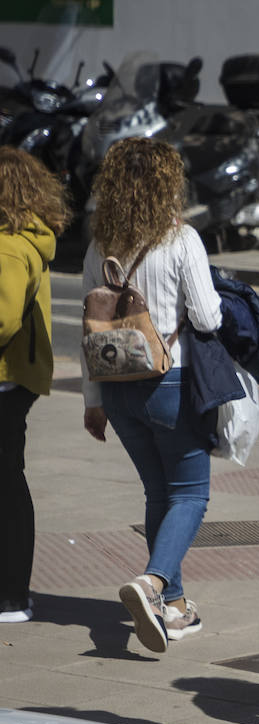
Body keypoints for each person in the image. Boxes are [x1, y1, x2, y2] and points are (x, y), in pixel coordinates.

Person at [80, 138, 222, 653]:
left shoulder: (99, 246)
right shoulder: (181, 240)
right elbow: (208, 317)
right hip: (171, 381)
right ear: (168, 185)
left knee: (159, 493)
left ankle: (174, 606)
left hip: (117, 390)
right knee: (190, 494)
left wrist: (92, 401)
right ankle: (153, 581)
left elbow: (89, 328)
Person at [0, 149, 70, 625]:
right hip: (17, 378)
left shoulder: (7, 244)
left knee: (6, 486)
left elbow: (1, 317)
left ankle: (10, 596)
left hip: (4, 378)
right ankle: (12, 594)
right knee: (9, 482)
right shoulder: (30, 237)